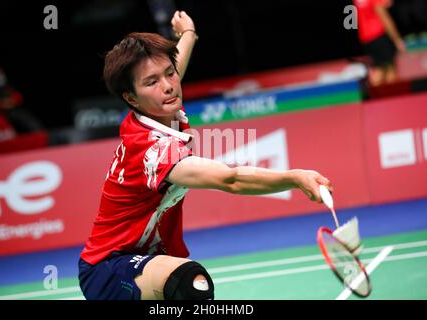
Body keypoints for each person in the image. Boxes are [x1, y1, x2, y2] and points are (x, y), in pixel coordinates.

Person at [78, 10, 333, 300]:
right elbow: (231, 179)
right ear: (131, 98)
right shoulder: (152, 150)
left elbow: (174, 65)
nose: (168, 85)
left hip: (150, 257)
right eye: (151, 82)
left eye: (170, 74)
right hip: (108, 267)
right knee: (190, 284)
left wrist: (188, 33)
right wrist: (294, 177)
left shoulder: (161, 107)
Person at [353, 0, 406, 86]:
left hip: (366, 38)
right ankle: (388, 96)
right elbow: (384, 17)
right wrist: (397, 39)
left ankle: (377, 96)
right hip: (379, 36)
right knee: (389, 69)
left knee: (379, 68)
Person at [0, 66, 43, 133]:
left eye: (0, 73)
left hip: (13, 111)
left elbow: (19, 98)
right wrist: (4, 104)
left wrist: (11, 102)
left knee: (25, 116)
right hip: (0, 114)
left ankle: (39, 133)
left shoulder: (9, 87)